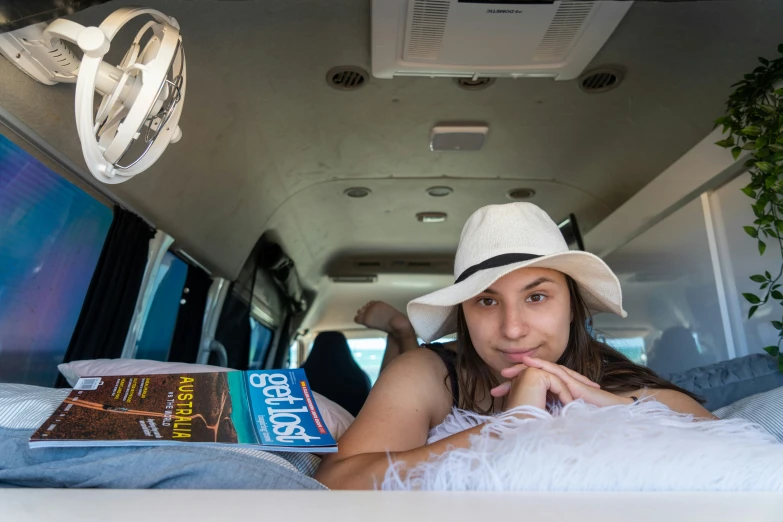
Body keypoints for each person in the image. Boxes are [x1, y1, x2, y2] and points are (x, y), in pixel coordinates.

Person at [315, 203, 715, 490]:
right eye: (487, 301)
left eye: (536, 297)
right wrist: (510, 426)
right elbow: (336, 483)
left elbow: (714, 435)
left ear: (573, 308)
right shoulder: (428, 372)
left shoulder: (600, 369)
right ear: (463, 316)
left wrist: (599, 401)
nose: (513, 329)